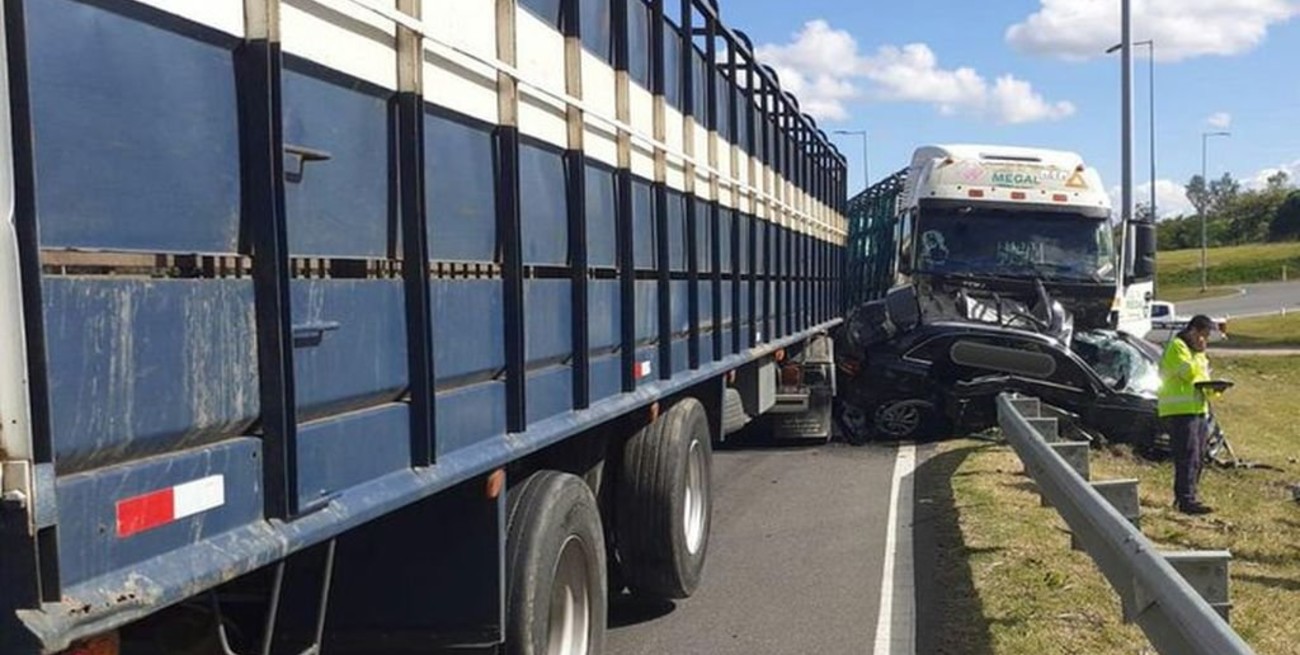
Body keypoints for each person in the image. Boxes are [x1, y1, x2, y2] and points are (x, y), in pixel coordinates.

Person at [1157, 315, 1216, 515]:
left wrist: (1215, 389)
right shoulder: (1177, 347)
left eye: (1206, 336)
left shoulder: (1197, 353)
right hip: (1179, 410)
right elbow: (1188, 374)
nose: (1204, 340)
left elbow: (1203, 379)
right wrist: (1199, 355)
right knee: (1187, 455)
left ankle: (1191, 496)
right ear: (1193, 331)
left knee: (1199, 455)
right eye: (1202, 335)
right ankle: (1185, 500)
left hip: (1198, 409)